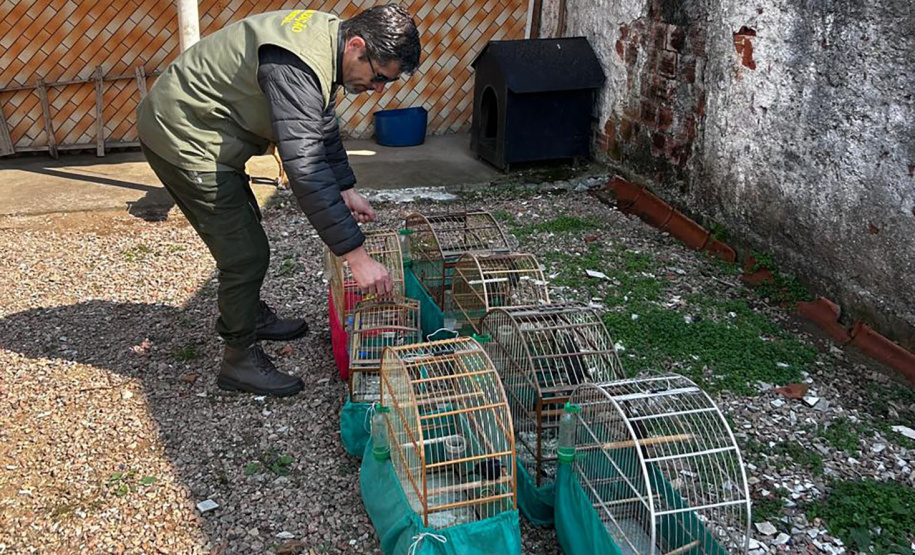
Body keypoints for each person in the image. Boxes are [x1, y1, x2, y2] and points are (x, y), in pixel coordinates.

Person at [137, 5, 421, 397]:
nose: (377, 89)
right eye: (378, 77)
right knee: (244, 254)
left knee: (246, 229)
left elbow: (320, 122)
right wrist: (356, 256)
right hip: (182, 133)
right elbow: (305, 168)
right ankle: (238, 359)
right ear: (357, 46)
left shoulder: (328, 41)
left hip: (207, 127)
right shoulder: (297, 65)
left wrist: (345, 187)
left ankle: (249, 315)